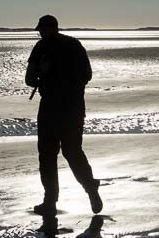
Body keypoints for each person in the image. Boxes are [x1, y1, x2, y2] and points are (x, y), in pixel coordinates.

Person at [25, 15, 102, 215]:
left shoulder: (41, 48)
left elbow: (29, 80)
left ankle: (50, 201)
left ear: (47, 28)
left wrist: (45, 74)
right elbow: (88, 75)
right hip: (74, 108)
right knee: (73, 152)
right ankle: (90, 188)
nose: (39, 33)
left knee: (47, 155)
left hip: (51, 108)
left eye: (40, 29)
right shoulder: (75, 45)